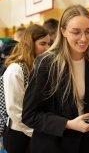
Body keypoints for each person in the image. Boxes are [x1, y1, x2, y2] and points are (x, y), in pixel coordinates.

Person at [22, 5, 89, 153]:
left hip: (88, 143)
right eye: (76, 32)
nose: (83, 38)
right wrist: (68, 124)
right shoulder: (46, 63)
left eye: (88, 32)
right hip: (54, 144)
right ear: (63, 31)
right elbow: (30, 115)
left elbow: (86, 105)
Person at [3, 24, 50, 153]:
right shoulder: (16, 70)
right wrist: (36, 132)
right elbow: (15, 110)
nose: (47, 48)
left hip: (37, 131)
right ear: (30, 43)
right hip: (20, 135)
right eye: (42, 44)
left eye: (48, 43)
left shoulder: (39, 65)